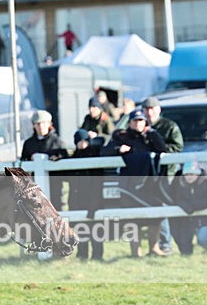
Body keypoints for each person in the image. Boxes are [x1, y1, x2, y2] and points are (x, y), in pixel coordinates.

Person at [101, 108, 168, 257]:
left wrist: (153, 135)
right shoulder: (121, 136)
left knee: (155, 217)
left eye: (140, 121)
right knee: (133, 219)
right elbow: (105, 152)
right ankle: (135, 252)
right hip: (129, 184)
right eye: (135, 121)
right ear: (130, 123)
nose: (138, 123)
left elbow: (163, 150)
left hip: (149, 184)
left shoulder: (151, 135)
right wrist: (119, 149)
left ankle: (154, 248)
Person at [142, 96, 184, 254]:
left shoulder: (169, 126)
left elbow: (178, 147)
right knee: (152, 207)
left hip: (167, 172)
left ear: (158, 109)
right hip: (149, 173)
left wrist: (160, 153)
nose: (149, 112)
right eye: (146, 109)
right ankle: (156, 244)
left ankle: (165, 243)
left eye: (152, 108)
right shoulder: (140, 125)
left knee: (162, 207)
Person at [21, 109, 68, 209]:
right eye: (37, 124)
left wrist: (52, 159)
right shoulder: (29, 143)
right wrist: (30, 159)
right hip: (34, 186)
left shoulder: (57, 141)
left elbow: (64, 158)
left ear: (49, 124)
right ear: (33, 125)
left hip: (54, 185)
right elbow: (23, 162)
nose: (40, 126)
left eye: (43, 123)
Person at [68, 129, 104, 260]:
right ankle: (82, 254)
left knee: (96, 228)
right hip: (77, 197)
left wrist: (95, 202)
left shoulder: (95, 156)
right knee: (80, 227)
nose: (82, 144)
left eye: (85, 141)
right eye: (79, 141)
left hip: (92, 197)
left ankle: (97, 255)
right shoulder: (73, 158)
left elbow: (98, 182)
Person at [168, 160, 207, 255]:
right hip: (187, 221)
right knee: (183, 241)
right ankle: (187, 256)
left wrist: (193, 206)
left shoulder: (206, 185)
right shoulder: (179, 185)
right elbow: (176, 199)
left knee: (203, 239)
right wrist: (186, 207)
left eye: (192, 174)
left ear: (198, 174)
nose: (189, 176)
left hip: (205, 219)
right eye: (187, 174)